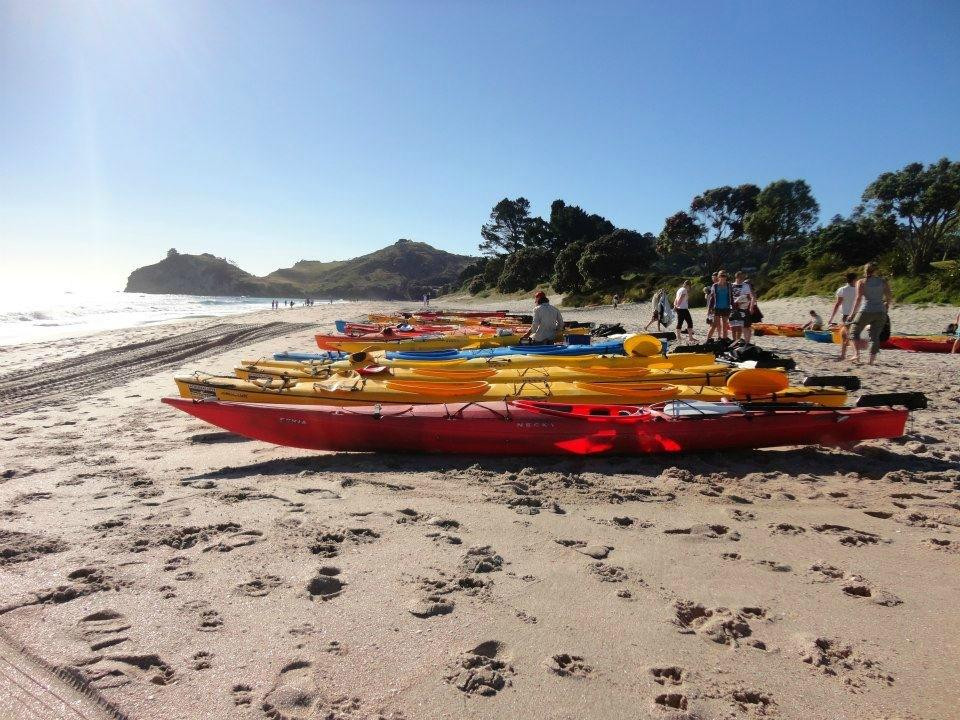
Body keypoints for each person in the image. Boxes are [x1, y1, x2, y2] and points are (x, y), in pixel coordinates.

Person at [849, 262, 893, 365]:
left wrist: (852, 314)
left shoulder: (861, 282)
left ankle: (856, 354)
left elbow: (858, 299)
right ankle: (871, 361)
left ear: (865, 270)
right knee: (875, 336)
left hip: (866, 310)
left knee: (853, 332)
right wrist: (886, 306)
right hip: (881, 311)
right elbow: (889, 296)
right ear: (876, 270)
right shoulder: (883, 281)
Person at [828, 273, 858, 359]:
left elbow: (837, 304)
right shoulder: (858, 289)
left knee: (847, 335)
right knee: (845, 334)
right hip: (856, 314)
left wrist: (831, 318)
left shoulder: (842, 290)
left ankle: (854, 354)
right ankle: (843, 355)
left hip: (846, 315)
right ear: (854, 280)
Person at [729, 271, 755, 342]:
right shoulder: (730, 285)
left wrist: (750, 307)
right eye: (740, 277)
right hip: (732, 308)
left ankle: (737, 341)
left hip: (742, 309)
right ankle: (734, 341)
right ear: (736, 277)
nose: (742, 279)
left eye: (743, 278)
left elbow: (749, 297)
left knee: (740, 327)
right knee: (733, 327)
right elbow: (729, 297)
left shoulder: (745, 285)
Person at [708, 271, 732, 340]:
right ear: (718, 277)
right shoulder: (715, 286)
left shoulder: (728, 285)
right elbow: (712, 299)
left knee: (725, 325)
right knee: (714, 325)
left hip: (726, 307)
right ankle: (708, 339)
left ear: (726, 277)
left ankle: (724, 340)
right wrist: (709, 309)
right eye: (721, 276)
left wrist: (733, 306)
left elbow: (731, 297)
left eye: (724, 276)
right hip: (717, 308)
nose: (723, 277)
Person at [704, 272, 718, 340]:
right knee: (712, 323)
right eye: (713, 278)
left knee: (714, 323)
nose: (714, 279)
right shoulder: (712, 286)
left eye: (715, 278)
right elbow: (707, 297)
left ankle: (712, 336)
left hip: (716, 306)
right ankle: (709, 337)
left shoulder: (717, 285)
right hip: (712, 307)